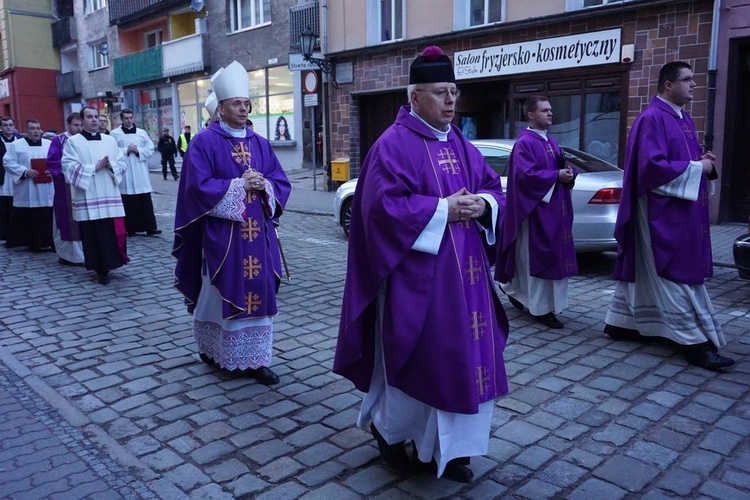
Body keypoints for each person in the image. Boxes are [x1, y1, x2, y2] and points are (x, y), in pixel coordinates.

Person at [333, 46, 509, 482]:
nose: (451, 101)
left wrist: (484, 206)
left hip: (467, 283)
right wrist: (441, 210)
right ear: (414, 97)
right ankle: (393, 437)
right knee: (420, 362)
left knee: (465, 362)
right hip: (418, 285)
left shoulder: (462, 144)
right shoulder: (391, 146)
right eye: (440, 93)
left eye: (454, 91)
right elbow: (378, 211)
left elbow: (493, 189)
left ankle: (450, 451)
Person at [603, 61, 734, 371]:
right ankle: (693, 343)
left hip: (680, 209)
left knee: (649, 270)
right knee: (669, 274)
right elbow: (651, 168)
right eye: (686, 80)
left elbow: (682, 160)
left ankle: (621, 323)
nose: (693, 85)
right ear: (667, 85)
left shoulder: (682, 118)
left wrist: (703, 162)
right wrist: (695, 168)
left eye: (693, 79)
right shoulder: (651, 118)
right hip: (657, 213)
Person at [173, 60, 292, 385]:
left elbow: (280, 182)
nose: (243, 108)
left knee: (260, 290)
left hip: (259, 236)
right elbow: (196, 188)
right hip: (223, 237)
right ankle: (214, 350)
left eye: (246, 103)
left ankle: (256, 359)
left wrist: (265, 186)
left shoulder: (260, 143)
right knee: (218, 291)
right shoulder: (203, 142)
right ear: (221, 108)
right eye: (236, 103)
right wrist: (240, 185)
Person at [495, 96, 578, 329]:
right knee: (537, 259)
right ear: (531, 115)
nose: (550, 113)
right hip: (535, 213)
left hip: (556, 210)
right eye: (544, 110)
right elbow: (524, 176)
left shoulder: (551, 140)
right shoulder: (525, 143)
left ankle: (522, 293)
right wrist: (555, 176)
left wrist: (568, 174)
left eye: (551, 109)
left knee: (554, 257)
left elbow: (561, 168)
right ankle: (540, 308)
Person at [62, 106, 129, 285]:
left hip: (108, 194)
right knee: (92, 234)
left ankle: (111, 264)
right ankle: (99, 270)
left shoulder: (110, 140)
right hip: (87, 196)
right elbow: (68, 167)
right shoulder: (73, 142)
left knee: (109, 232)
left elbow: (122, 162)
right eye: (89, 117)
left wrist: (110, 166)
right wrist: (94, 168)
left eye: (96, 116)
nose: (94, 120)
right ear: (82, 120)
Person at [3, 119, 54, 251]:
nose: (35, 131)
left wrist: (52, 171)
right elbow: (7, 162)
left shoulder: (49, 144)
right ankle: (29, 242)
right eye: (32, 128)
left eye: (38, 128)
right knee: (28, 215)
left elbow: (57, 161)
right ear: (26, 130)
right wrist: (25, 171)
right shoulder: (17, 145)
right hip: (27, 187)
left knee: (47, 215)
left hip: (47, 188)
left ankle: (48, 241)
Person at [110, 109, 161, 236]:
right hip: (126, 170)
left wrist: (138, 150)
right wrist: (126, 149)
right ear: (121, 119)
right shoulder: (114, 134)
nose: (129, 120)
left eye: (131, 117)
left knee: (145, 200)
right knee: (128, 201)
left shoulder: (141, 133)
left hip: (140, 170)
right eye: (126, 118)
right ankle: (130, 228)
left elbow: (150, 148)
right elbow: (112, 150)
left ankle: (150, 227)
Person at [48, 112, 85, 265]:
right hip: (66, 186)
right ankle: (68, 255)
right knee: (67, 220)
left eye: (81, 125)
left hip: (83, 185)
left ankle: (85, 252)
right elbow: (53, 162)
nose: (79, 128)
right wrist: (70, 172)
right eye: (76, 125)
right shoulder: (59, 140)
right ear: (69, 124)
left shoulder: (85, 140)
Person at [0, 116, 20, 240]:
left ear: (14, 126)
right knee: (3, 208)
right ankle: (3, 233)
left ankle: (15, 233)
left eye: (10, 125)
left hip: (15, 177)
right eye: (5, 125)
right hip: (2, 178)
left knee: (15, 206)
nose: (8, 127)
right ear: (1, 128)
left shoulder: (20, 141)